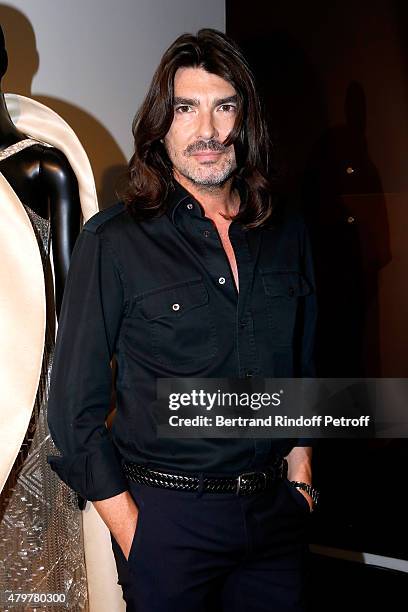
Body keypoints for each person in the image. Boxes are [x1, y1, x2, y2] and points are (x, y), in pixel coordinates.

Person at [47, 29, 318, 612]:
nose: (208, 132)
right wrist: (135, 535)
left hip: (275, 520)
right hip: (169, 526)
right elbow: (72, 414)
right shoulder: (114, 242)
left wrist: (300, 478)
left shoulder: (286, 232)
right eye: (186, 109)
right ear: (160, 125)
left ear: (246, 121)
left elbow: (303, 364)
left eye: (225, 107)